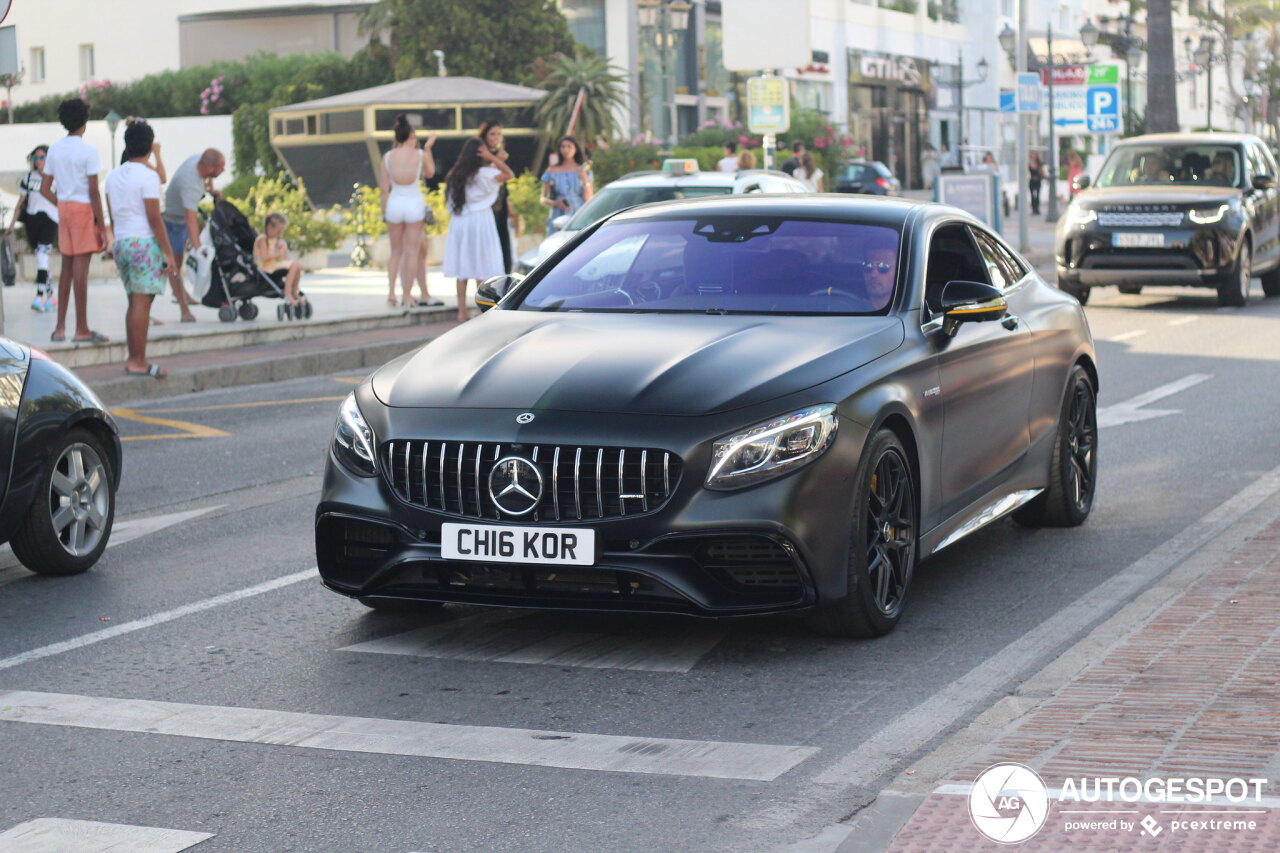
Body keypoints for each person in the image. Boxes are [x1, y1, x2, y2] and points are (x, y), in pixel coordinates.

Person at [105, 119, 175, 377]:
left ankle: (134, 358)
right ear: (148, 146)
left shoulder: (113, 176)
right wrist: (168, 253)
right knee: (141, 305)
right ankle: (138, 361)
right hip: (144, 243)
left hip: (122, 242)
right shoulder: (148, 176)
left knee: (134, 303)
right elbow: (154, 219)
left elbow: (112, 215)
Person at [41, 97, 108, 344]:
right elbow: (93, 191)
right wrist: (101, 224)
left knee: (66, 270)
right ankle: (82, 328)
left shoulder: (55, 149)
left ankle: (59, 328)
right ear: (85, 121)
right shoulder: (89, 151)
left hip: (65, 209)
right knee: (81, 271)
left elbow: (44, 189)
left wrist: (61, 203)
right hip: (82, 209)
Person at [444, 137, 515, 323]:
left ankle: (461, 311)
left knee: (463, 268)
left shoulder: (455, 173)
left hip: (460, 221)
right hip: (480, 220)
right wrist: (493, 157)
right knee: (481, 265)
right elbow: (509, 174)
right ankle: (481, 310)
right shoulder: (485, 173)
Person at [379, 114, 436, 307]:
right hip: (414, 203)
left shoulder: (387, 157)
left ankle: (391, 292)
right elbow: (430, 173)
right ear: (411, 135)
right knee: (412, 252)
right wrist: (428, 149)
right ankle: (407, 294)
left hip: (394, 203)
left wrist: (384, 212)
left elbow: (384, 188)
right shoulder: (419, 155)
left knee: (395, 251)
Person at [163, 147, 225, 321]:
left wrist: (211, 189)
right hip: (173, 222)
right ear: (211, 168)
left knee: (178, 264)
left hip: (181, 219)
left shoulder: (200, 160)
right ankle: (184, 310)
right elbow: (191, 220)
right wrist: (199, 248)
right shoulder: (191, 185)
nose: (224, 170)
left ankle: (182, 294)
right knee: (174, 267)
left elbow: (207, 176)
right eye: (222, 167)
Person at [8, 145, 59, 313]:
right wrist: (11, 225)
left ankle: (39, 296)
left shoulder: (56, 178)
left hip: (51, 219)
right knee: (41, 257)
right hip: (32, 220)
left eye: (42, 157)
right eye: (36, 157)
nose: (39, 161)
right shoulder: (28, 178)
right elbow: (21, 202)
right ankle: (51, 296)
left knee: (42, 254)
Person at [478, 120, 514, 274]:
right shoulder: (480, 154)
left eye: (499, 134)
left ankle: (503, 273)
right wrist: (497, 160)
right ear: (485, 135)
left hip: (501, 204)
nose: (496, 137)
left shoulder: (501, 153)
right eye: (492, 134)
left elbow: (505, 182)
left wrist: (509, 205)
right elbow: (481, 177)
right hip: (485, 205)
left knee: (502, 239)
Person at [254, 212, 305, 315]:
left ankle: (294, 290)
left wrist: (281, 251)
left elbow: (280, 257)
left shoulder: (275, 240)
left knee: (297, 265)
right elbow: (264, 257)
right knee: (294, 265)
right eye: (278, 231)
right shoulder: (262, 239)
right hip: (265, 267)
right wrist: (277, 254)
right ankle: (288, 292)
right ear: (269, 227)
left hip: (273, 265)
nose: (280, 234)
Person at [541, 136, 592, 237]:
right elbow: (543, 199)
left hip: (578, 213)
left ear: (576, 149)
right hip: (558, 213)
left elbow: (588, 199)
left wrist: (584, 178)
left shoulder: (583, 169)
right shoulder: (551, 170)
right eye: (563, 147)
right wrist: (556, 203)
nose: (566, 150)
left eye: (569, 146)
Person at [1028, 151, 1045, 215]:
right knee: (1032, 195)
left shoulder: (1039, 163)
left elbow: (1042, 171)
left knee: (1037, 195)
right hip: (1032, 181)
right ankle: (1033, 209)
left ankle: (1037, 208)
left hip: (1038, 181)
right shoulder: (1029, 163)